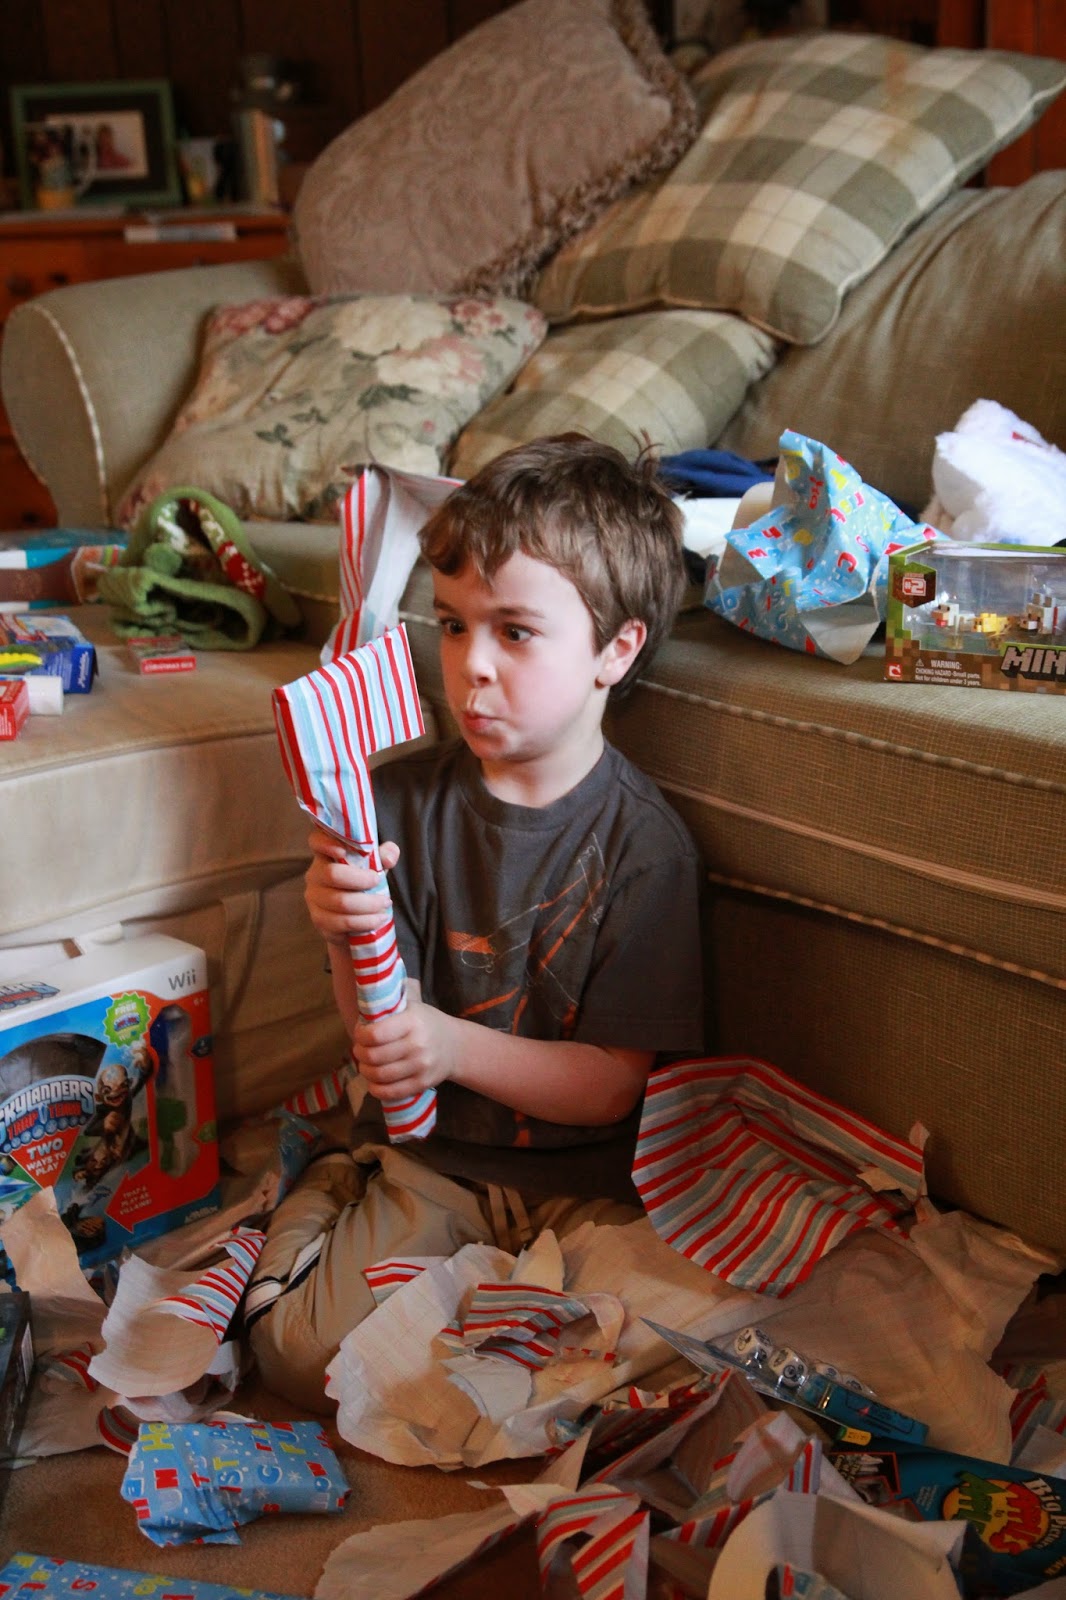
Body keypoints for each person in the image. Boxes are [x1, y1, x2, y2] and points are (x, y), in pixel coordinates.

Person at [247, 434, 705, 1410]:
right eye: (453, 627)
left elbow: (609, 1088)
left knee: (662, 1363)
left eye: (516, 632)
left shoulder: (645, 846)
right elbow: (378, 1037)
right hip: (435, 1164)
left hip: (587, 1185)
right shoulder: (396, 807)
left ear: (616, 649)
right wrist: (342, 934)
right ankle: (330, 1181)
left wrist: (451, 1044)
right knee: (295, 1361)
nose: (471, 667)